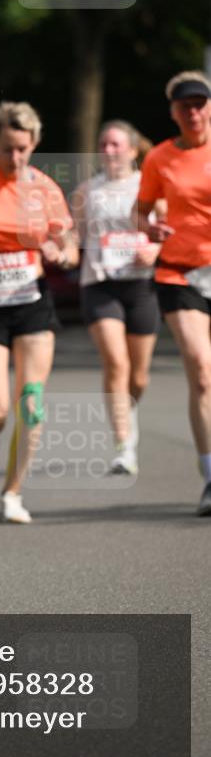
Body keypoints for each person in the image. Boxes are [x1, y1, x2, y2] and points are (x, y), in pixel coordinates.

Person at [0, 101, 78, 523]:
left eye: (24, 149)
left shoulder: (44, 188)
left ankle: (13, 492)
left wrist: (61, 254)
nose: (17, 158)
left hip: (31, 302)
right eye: (9, 148)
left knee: (32, 402)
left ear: (34, 145)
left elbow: (70, 246)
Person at [136, 72, 211, 516]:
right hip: (180, 273)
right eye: (185, 105)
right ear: (173, 111)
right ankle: (210, 476)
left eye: (201, 103)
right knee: (202, 371)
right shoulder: (160, 158)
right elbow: (142, 210)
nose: (194, 112)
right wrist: (149, 226)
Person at [71, 121, 161, 474]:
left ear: (133, 150)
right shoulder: (87, 191)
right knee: (116, 362)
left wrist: (155, 249)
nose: (108, 151)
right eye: (103, 144)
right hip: (99, 283)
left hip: (140, 285)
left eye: (115, 145)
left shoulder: (150, 187)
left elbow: (168, 231)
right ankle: (124, 446)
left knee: (139, 377)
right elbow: (72, 237)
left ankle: (129, 411)